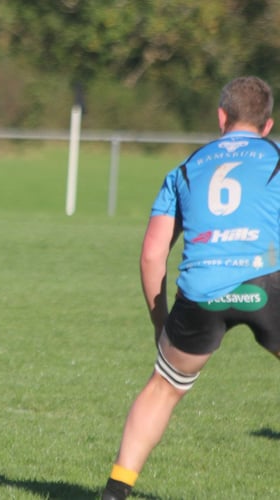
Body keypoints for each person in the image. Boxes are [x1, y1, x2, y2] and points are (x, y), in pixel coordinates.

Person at [101, 76, 280, 500]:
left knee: (163, 388)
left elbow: (151, 255)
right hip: (267, 282)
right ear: (268, 125)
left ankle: (115, 492)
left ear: (221, 117)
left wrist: (160, 322)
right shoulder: (275, 158)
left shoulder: (184, 169)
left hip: (201, 292)